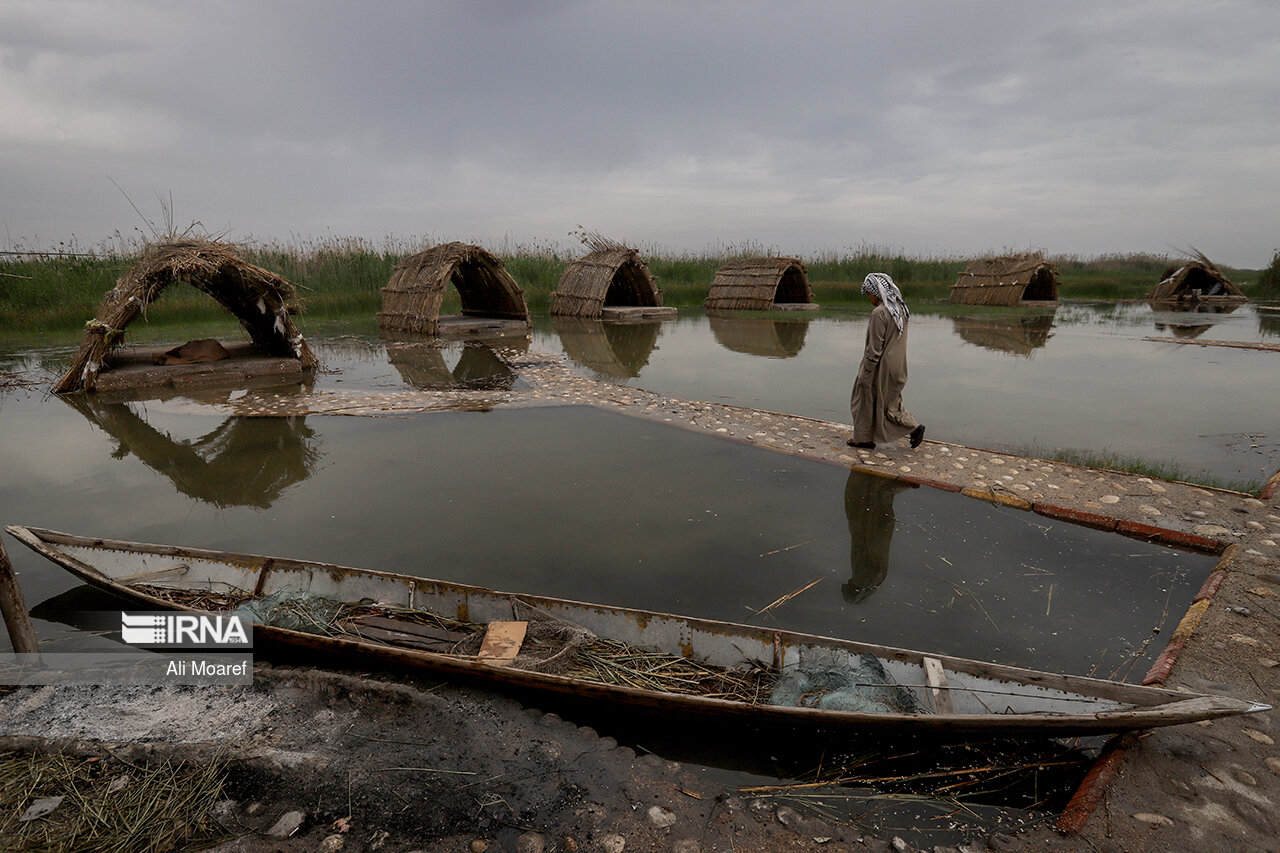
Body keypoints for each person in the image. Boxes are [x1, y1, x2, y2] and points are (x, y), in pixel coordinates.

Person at [848, 272, 925, 450]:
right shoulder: (901, 310)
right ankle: (913, 429)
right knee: (890, 402)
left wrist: (865, 373)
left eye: (869, 293)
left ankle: (863, 439)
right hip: (898, 366)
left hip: (880, 367)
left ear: (877, 292)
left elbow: (874, 350)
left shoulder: (880, 313)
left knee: (863, 399)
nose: (869, 298)